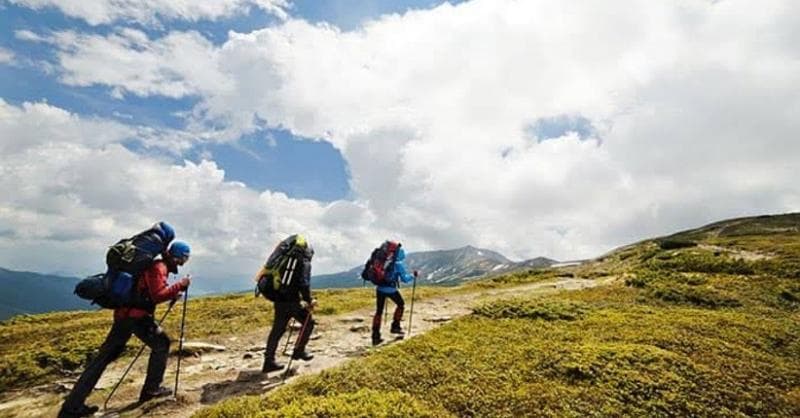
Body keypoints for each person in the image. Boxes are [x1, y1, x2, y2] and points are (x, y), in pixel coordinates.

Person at [58, 241, 192, 418]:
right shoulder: (158, 267)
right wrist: (180, 285)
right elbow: (157, 295)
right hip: (136, 317)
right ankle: (151, 390)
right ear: (176, 257)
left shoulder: (156, 266)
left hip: (125, 315)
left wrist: (173, 292)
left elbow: (148, 291)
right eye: (183, 259)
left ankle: (71, 407)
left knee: (102, 359)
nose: (183, 263)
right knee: (162, 344)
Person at [258, 235, 316, 373]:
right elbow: (304, 283)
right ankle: (299, 351)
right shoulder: (304, 261)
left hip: (279, 299)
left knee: (277, 329)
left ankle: (268, 361)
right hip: (292, 301)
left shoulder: (286, 258)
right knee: (309, 323)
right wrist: (309, 300)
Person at [371, 243, 415, 346]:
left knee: (379, 311)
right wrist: (413, 275)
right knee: (401, 304)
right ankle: (395, 326)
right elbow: (405, 279)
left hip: (379, 289)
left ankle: (375, 336)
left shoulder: (381, 261)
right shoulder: (398, 265)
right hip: (391, 290)